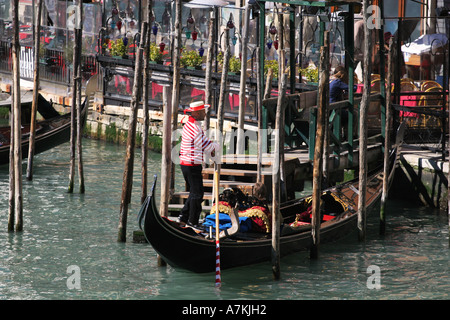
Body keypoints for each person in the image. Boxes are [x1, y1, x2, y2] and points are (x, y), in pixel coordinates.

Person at [179, 101, 219, 227]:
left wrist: (211, 146)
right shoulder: (194, 128)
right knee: (198, 193)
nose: (205, 114)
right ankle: (192, 221)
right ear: (196, 113)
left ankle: (183, 217)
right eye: (203, 111)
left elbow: (204, 142)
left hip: (187, 164)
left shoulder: (191, 124)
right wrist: (216, 147)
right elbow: (204, 146)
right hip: (191, 165)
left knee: (194, 192)